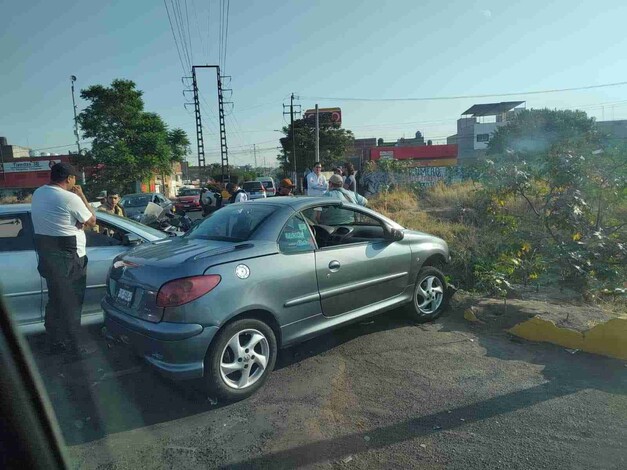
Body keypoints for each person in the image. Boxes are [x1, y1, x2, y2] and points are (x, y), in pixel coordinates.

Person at [31, 162, 97, 358]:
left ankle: (55, 342)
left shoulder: (39, 193)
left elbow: (61, 220)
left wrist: (77, 222)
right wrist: (81, 196)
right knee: (72, 303)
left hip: (49, 256)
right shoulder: (69, 198)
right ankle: (74, 347)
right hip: (70, 258)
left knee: (55, 301)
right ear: (69, 179)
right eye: (74, 178)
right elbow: (92, 221)